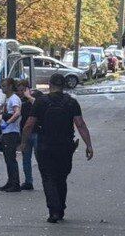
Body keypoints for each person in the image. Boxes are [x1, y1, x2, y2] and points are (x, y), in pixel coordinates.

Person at [21, 72, 94, 223]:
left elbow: (29, 124)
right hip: (65, 145)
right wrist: (89, 145)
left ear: (50, 84)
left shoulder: (41, 102)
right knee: (61, 177)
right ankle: (60, 208)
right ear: (63, 86)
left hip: (45, 145)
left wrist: (23, 142)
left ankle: (53, 210)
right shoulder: (71, 102)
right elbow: (80, 124)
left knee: (48, 177)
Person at [0, 77, 22, 192]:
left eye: (4, 86)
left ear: (11, 86)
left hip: (12, 133)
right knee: (7, 158)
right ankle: (10, 181)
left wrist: (7, 123)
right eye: (2, 85)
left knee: (11, 159)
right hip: (7, 133)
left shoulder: (14, 99)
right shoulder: (7, 99)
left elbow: (17, 113)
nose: (2, 88)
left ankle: (15, 183)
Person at [17, 80, 37, 191]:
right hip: (24, 132)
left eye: (22, 90)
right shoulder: (19, 100)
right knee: (26, 159)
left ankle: (47, 179)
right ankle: (28, 181)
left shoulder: (35, 96)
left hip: (36, 131)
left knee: (40, 158)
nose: (20, 92)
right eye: (19, 90)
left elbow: (37, 104)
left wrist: (28, 96)